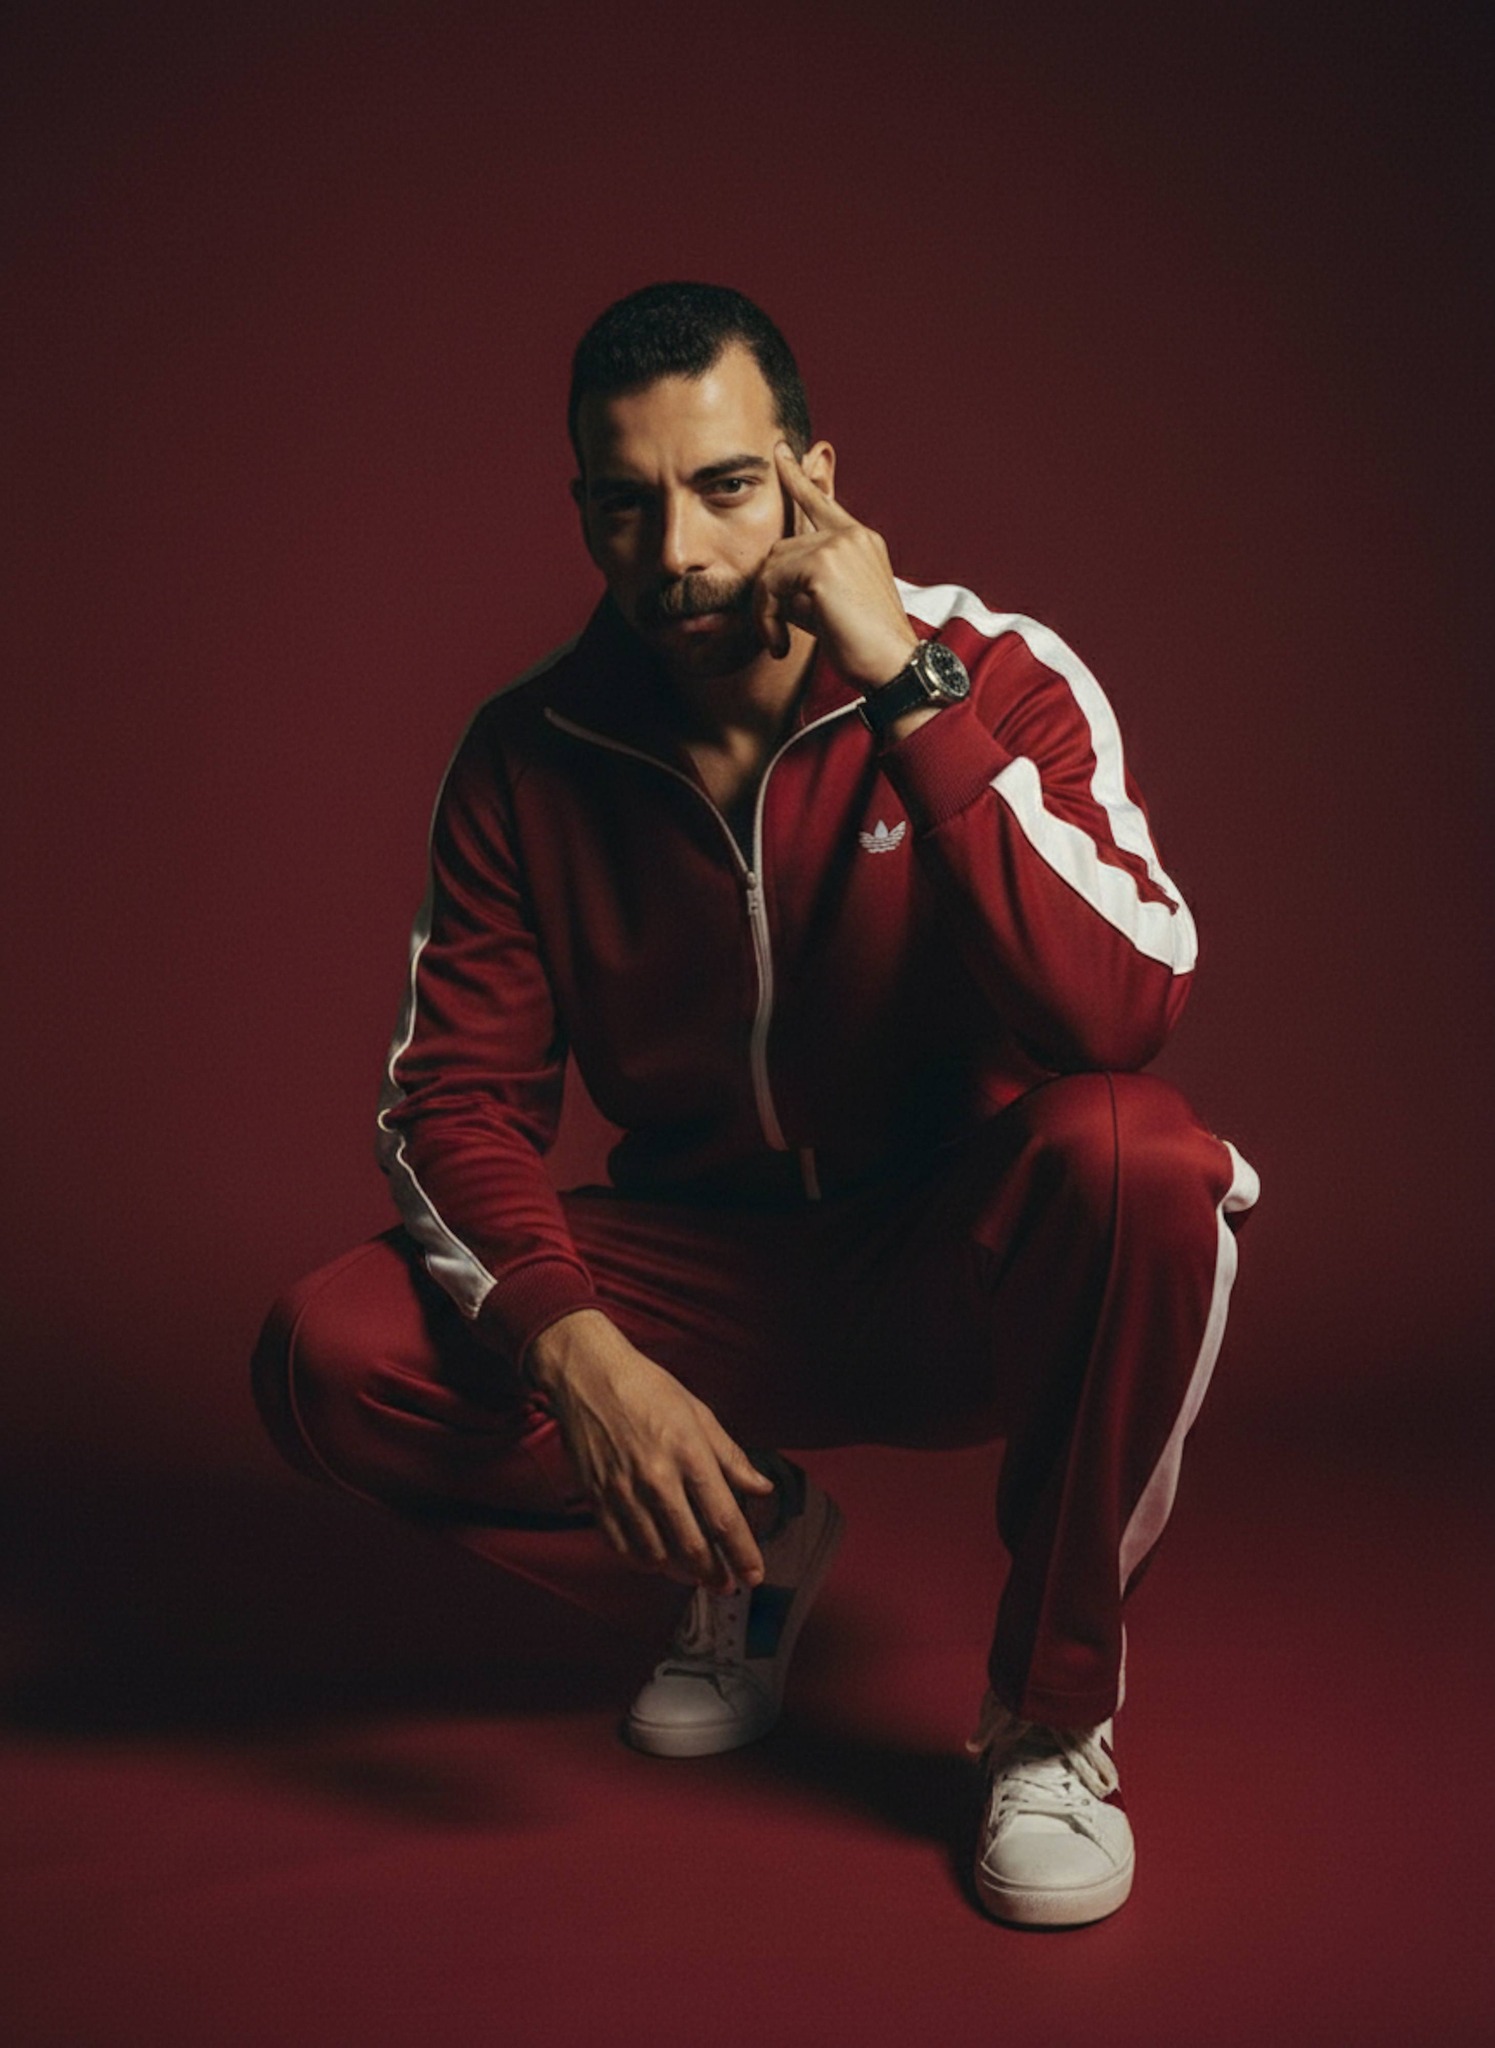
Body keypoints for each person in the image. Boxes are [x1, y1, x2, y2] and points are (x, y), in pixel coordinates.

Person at [253, 280, 1258, 1929]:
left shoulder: (992, 670)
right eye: (625, 504)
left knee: (1149, 1165)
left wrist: (906, 688)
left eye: (724, 487)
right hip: (706, 1283)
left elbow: (1121, 1007)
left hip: (959, 1261)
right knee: (330, 1352)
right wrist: (583, 1356)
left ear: (812, 477)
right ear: (583, 513)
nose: (680, 551)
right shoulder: (529, 756)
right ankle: (752, 1544)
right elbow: (453, 1106)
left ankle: (1050, 1724)